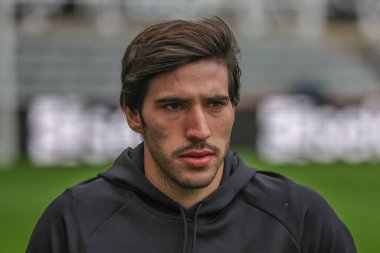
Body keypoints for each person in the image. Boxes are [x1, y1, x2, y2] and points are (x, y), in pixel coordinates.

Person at [27, 17, 356, 253]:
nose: (199, 130)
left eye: (215, 104)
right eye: (173, 106)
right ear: (133, 113)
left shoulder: (300, 217)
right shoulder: (74, 221)